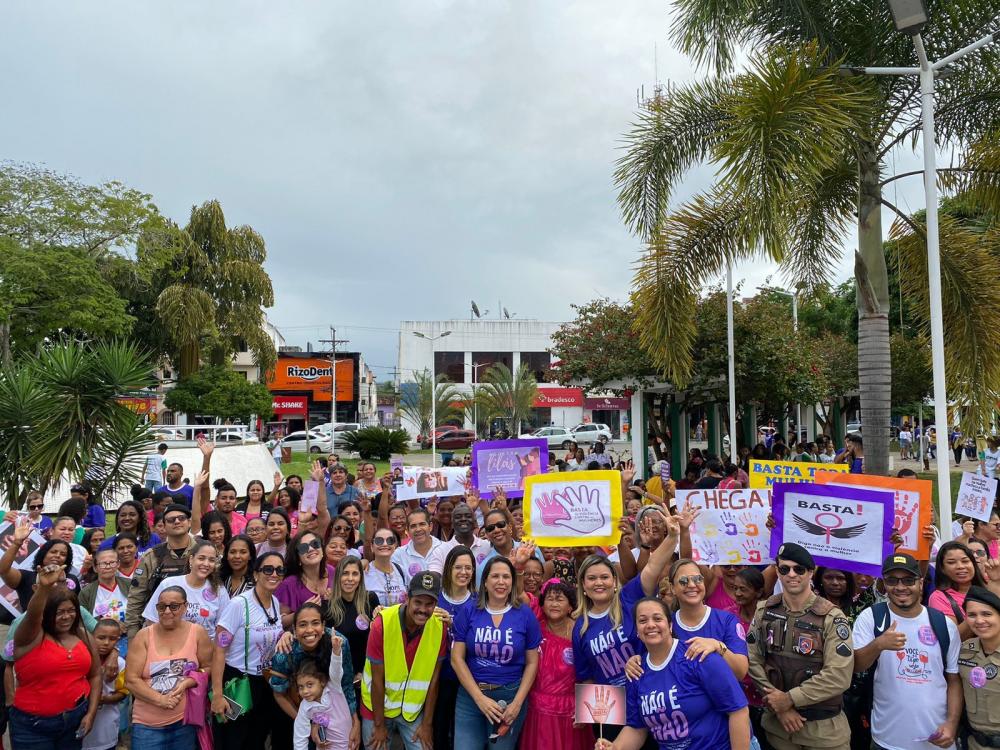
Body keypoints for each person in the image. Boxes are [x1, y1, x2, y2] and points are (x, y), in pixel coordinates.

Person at [595, 597, 750, 750]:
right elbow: (637, 728)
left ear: (670, 625)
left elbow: (738, 711)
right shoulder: (636, 671)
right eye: (642, 621)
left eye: (657, 618)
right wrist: (616, 747)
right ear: (637, 631)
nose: (650, 625)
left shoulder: (699, 657)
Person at [747, 543, 854, 750]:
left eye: (799, 569)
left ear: (811, 573)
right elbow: (753, 660)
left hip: (824, 734)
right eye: (785, 569)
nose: (791, 574)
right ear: (777, 572)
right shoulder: (764, 611)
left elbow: (838, 675)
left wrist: (789, 700)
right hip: (779, 730)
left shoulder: (832, 617)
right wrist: (780, 708)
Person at [852, 553, 961, 750]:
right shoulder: (871, 617)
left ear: (920, 583)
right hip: (887, 739)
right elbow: (856, 665)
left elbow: (953, 680)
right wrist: (878, 645)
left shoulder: (944, 625)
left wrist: (952, 724)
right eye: (892, 580)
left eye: (908, 580)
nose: (900, 587)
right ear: (884, 584)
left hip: (937, 740)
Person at [451, 554, 541, 750]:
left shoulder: (525, 614)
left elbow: (533, 662)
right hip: (471, 697)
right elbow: (456, 658)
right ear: (484, 582)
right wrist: (479, 698)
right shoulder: (469, 611)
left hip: (510, 699)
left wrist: (517, 703)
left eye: (506, 577)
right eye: (495, 576)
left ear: (513, 581)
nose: (501, 582)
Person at [10, 563, 101, 749]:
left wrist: (90, 714)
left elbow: (95, 675)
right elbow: (33, 616)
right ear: (47, 613)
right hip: (33, 726)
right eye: (59, 612)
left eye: (71, 611)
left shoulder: (82, 635)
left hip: (74, 720)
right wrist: (44, 588)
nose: (66, 617)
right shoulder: (30, 637)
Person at [361, 570, 446, 750]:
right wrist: (379, 725)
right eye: (418, 602)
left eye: (429, 604)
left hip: (411, 712)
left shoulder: (439, 627)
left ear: (436, 604)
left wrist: (427, 725)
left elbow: (434, 681)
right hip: (376, 708)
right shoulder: (382, 623)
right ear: (407, 598)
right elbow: (377, 680)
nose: (423, 609)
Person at [211, 552, 287, 750]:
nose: (274, 574)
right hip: (237, 680)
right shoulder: (239, 605)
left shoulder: (275, 603)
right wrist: (218, 695)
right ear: (256, 574)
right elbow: (219, 650)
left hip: (264, 681)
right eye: (268, 569)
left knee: (257, 739)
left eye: (280, 570)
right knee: (233, 740)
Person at [126, 585, 214, 748]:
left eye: (174, 606)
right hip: (147, 725)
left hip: (185, 722)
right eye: (161, 607)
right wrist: (160, 700)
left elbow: (208, 667)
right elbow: (131, 680)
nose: (167, 611)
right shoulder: (144, 636)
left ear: (185, 607)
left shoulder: (197, 633)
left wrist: (190, 681)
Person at [269, 602, 358, 750]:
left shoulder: (338, 643)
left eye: (315, 623)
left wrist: (355, 722)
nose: (309, 630)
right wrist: (309, 720)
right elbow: (279, 694)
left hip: (336, 709)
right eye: (303, 625)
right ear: (295, 630)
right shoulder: (285, 651)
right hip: (296, 709)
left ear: (323, 626)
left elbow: (346, 684)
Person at [520, 577, 592, 750]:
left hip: (571, 711)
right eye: (550, 599)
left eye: (560, 599)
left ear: (570, 606)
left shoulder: (581, 630)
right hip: (536, 710)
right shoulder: (535, 627)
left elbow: (591, 671)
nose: (554, 604)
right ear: (542, 605)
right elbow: (518, 594)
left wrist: (585, 711)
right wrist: (519, 568)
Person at [126, 502, 199, 639]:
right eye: (171, 520)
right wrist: (133, 636)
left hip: (198, 628)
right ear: (164, 526)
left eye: (181, 518)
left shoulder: (204, 552)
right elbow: (136, 598)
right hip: (158, 627)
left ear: (189, 522)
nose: (177, 522)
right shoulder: (152, 556)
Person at [433, 545, 477, 750]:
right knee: (438, 730)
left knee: (462, 735)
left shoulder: (478, 602)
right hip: (436, 677)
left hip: (465, 678)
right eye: (458, 567)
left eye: (468, 568)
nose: (464, 572)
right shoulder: (434, 597)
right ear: (448, 568)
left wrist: (454, 626)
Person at [143, 539, 231, 641]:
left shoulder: (219, 590)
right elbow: (152, 620)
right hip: (170, 648)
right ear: (191, 559)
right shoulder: (169, 584)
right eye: (201, 558)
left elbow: (224, 628)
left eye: (211, 560)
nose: (206, 564)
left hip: (205, 651)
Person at [325, 556, 380, 713]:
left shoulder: (371, 600)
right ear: (338, 577)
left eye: (355, 574)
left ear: (361, 578)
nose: (350, 579)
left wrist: (364, 672)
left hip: (366, 676)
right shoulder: (328, 607)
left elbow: (377, 640)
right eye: (345, 573)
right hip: (340, 679)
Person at [959, 586, 1000, 749]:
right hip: (973, 743)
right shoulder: (963, 650)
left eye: (987, 614)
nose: (979, 621)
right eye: (972, 615)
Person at [290, 649, 352, 750]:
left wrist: (336, 653)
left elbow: (336, 670)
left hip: (349, 745)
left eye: (310, 685)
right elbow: (300, 736)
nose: (305, 691)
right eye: (301, 687)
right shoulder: (305, 707)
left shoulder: (333, 688)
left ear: (322, 681)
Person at [929, 540, 991, 639]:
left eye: (965, 561)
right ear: (943, 568)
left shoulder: (991, 585)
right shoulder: (938, 597)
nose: (960, 566)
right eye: (951, 562)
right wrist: (978, 608)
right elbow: (953, 638)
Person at [84, 619, 128, 750]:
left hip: (106, 729)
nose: (106, 643)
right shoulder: (83, 659)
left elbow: (123, 693)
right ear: (92, 636)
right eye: (101, 638)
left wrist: (104, 699)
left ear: (118, 640)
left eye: (112, 639)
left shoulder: (120, 663)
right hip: (81, 727)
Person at [277, 530, 334, 629]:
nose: (311, 549)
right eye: (303, 548)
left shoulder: (333, 571)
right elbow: (280, 623)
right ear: (298, 559)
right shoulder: (289, 584)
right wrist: (303, 610)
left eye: (315, 544)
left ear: (322, 551)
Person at [79, 548, 131, 637]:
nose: (108, 567)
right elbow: (82, 621)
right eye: (103, 564)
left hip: (129, 636)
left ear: (118, 564)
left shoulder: (129, 585)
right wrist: (106, 623)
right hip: (100, 640)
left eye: (112, 562)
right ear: (95, 568)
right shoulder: (86, 593)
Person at [428, 500, 491, 573]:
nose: (463, 519)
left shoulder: (487, 546)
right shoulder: (441, 550)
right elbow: (434, 575)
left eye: (468, 516)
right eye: (458, 517)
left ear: (474, 520)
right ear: (452, 521)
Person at [392, 508, 443, 584]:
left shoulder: (445, 549)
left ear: (430, 526)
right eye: (413, 526)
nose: (418, 529)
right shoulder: (398, 555)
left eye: (422, 524)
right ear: (407, 530)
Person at [365, 529, 407, 606]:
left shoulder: (402, 570)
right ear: (372, 547)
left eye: (390, 540)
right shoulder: (364, 572)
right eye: (379, 541)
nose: (385, 544)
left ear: (395, 546)